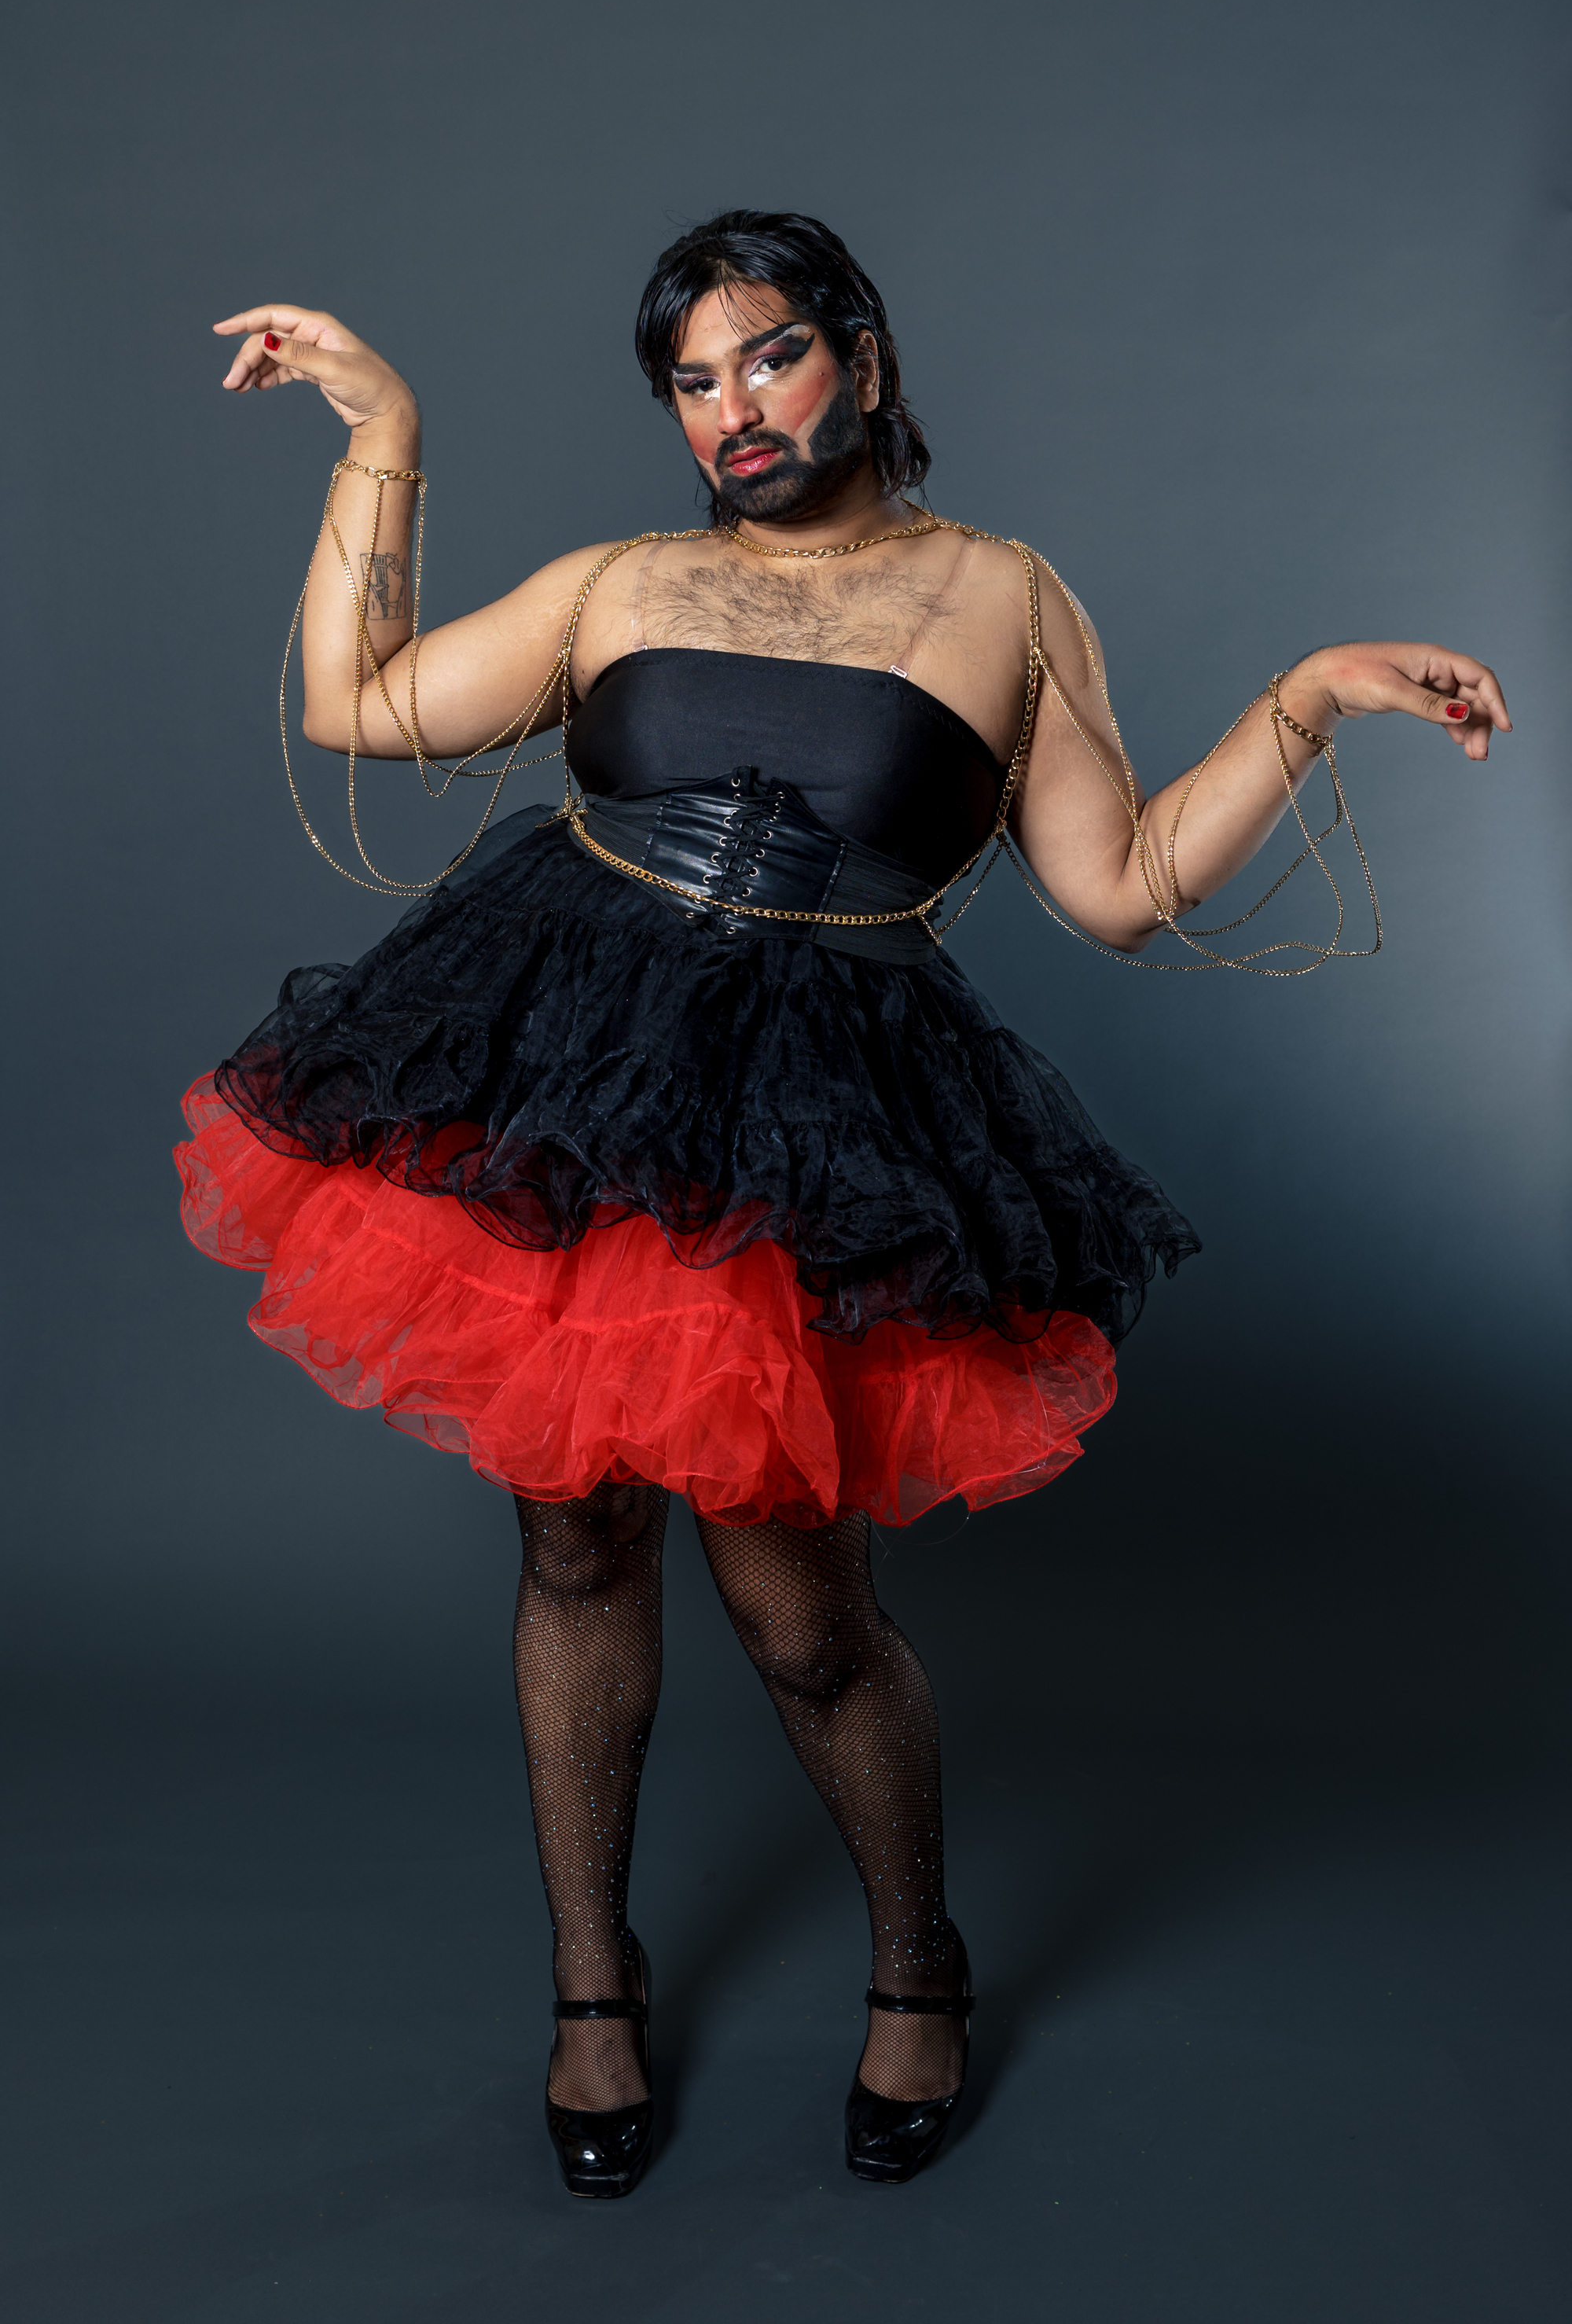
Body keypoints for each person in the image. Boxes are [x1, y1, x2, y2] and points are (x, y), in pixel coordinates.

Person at [178, 211, 1508, 2199]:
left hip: (809, 1115)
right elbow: (357, 705)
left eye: (769, 359)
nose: (733, 408)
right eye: (693, 382)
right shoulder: (620, 583)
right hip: (573, 1077)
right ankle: (590, 1987)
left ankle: (918, 1954)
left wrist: (1310, 693)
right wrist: (383, 427)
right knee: (572, 1541)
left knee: (801, 1615)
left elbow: (1123, 883)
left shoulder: (1001, 596)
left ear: (865, 362)